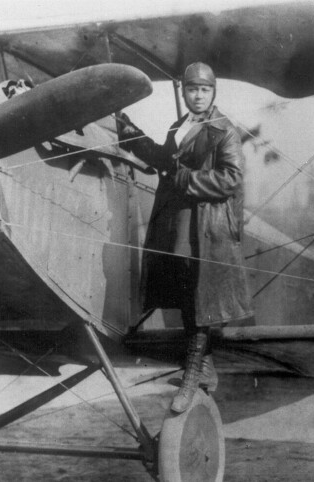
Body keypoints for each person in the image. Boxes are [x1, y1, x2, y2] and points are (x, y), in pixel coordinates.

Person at [117, 62, 253, 413]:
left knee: (198, 297)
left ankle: (193, 373)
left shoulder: (224, 131)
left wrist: (187, 180)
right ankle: (204, 367)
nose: (197, 95)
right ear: (184, 92)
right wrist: (131, 135)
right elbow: (166, 160)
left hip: (203, 226)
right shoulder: (181, 125)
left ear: (213, 92)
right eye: (192, 89)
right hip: (177, 221)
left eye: (204, 90)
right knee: (184, 290)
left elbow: (232, 178)